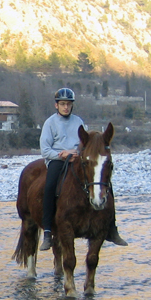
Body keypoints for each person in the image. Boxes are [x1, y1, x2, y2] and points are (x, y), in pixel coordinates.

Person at [39, 88, 127, 251]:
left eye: (69, 104)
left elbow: (84, 142)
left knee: (105, 182)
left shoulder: (78, 121)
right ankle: (48, 231)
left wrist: (79, 153)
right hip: (57, 159)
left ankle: (112, 229)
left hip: (77, 158)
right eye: (63, 104)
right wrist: (62, 154)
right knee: (50, 186)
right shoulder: (50, 123)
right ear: (56, 105)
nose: (66, 107)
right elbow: (45, 150)